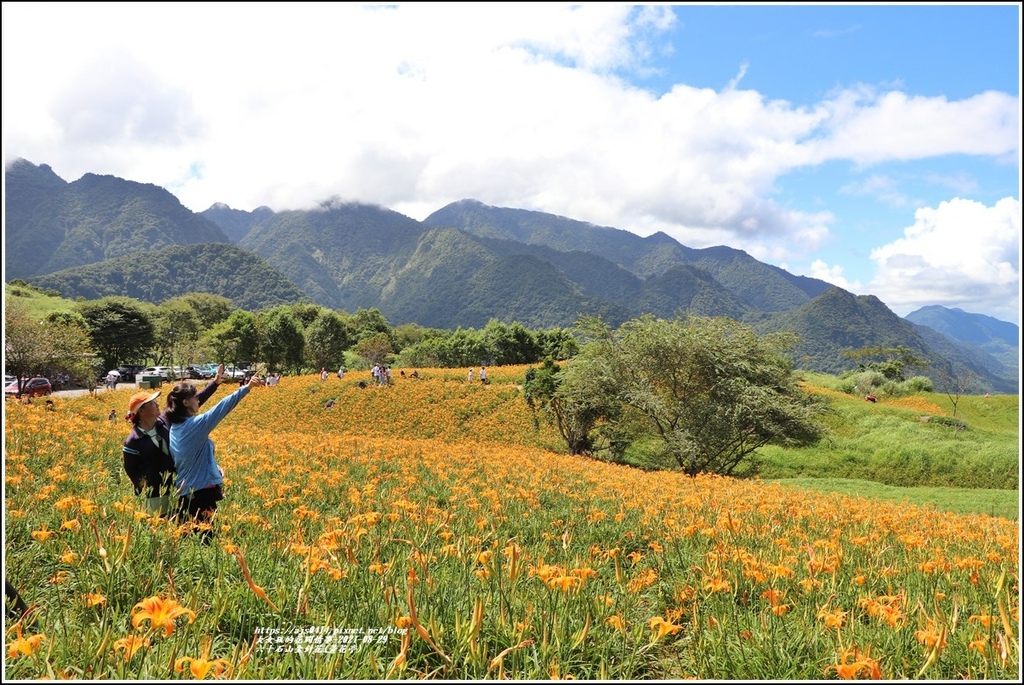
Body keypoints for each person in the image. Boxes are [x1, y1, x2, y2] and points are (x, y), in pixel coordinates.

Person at [166, 370, 263, 535]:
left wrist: (213, 469)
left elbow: (191, 456)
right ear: (186, 402)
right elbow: (221, 408)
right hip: (200, 494)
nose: (198, 399)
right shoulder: (194, 426)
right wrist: (247, 388)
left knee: (189, 538)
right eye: (195, 397)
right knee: (205, 539)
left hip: (186, 492)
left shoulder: (175, 427)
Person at [122, 367, 224, 517]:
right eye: (152, 402)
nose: (157, 404)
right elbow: (132, 472)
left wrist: (214, 384)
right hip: (156, 494)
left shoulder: (165, 421)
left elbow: (190, 402)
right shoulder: (132, 441)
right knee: (162, 528)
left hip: (178, 487)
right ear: (141, 411)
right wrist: (150, 487)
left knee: (184, 526)